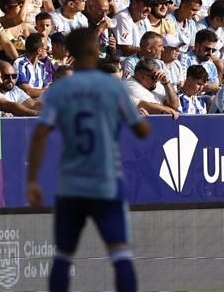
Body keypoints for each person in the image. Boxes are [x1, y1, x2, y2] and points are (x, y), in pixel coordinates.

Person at [26, 26, 150, 292]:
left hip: (71, 183)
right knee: (120, 254)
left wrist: (33, 180)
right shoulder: (112, 88)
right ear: (95, 50)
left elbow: (39, 135)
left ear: (70, 53)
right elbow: (140, 129)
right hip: (106, 181)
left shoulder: (59, 90)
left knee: (63, 255)